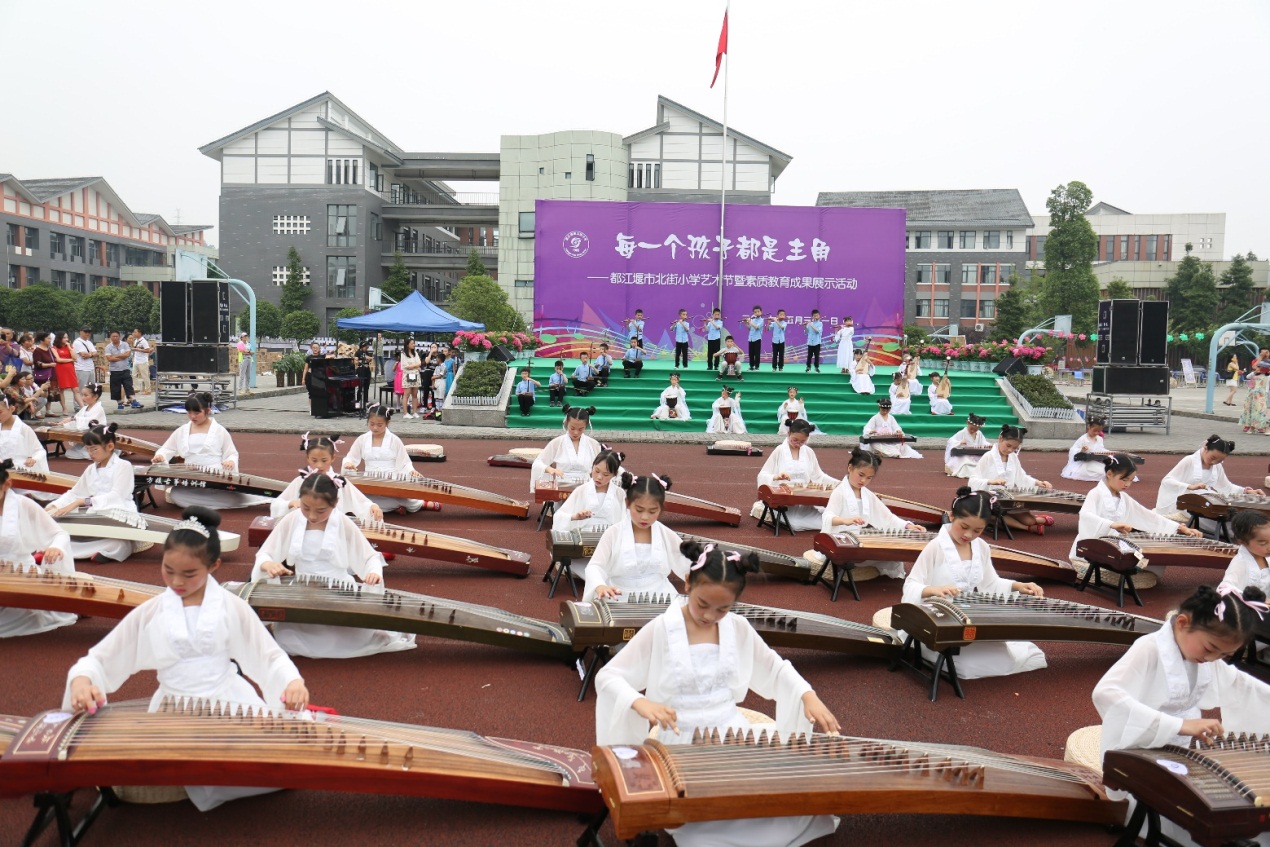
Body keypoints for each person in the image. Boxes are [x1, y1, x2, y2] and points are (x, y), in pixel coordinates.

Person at [595, 540, 841, 847]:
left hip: (731, 731)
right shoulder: (662, 629)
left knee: (780, 806)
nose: (710, 616)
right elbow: (609, 675)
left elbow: (775, 667)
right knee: (705, 824)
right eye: (702, 604)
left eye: (723, 609)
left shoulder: (737, 627)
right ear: (687, 583)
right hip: (682, 738)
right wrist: (640, 701)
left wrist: (806, 694)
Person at [65, 506, 309, 811]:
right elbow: (102, 656)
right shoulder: (153, 611)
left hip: (229, 704)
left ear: (214, 565)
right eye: (168, 570)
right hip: (173, 711)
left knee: (290, 763)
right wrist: (83, 679)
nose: (176, 581)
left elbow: (269, 656)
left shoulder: (230, 607)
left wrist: (292, 681)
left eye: (189, 574)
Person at [1092, 583, 1270, 847]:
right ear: (1183, 623)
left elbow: (1243, 686)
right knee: (1217, 824)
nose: (1214, 659)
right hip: (1144, 750)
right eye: (1211, 649)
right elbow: (1106, 693)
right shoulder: (1149, 648)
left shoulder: (1206, 656)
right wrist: (1179, 725)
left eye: (1225, 654)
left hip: (1186, 751)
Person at [253, 473, 416, 659]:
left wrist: (373, 573)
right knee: (292, 639)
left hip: (340, 591)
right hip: (302, 593)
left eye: (321, 510)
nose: (312, 516)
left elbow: (369, 557)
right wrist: (269, 565)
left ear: (335, 504)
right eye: (306, 508)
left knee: (354, 636)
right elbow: (265, 553)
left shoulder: (343, 523)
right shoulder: (291, 520)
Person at [903, 488, 1048, 678]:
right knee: (967, 667)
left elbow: (990, 583)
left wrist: (1017, 586)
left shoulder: (982, 547)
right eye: (964, 527)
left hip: (967, 617)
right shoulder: (935, 547)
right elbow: (911, 584)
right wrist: (934, 590)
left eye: (977, 530)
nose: (969, 535)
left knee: (1013, 658)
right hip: (935, 620)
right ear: (951, 516)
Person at [1072, 454, 1201, 579]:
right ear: (1109, 474)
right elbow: (1085, 515)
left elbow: (1148, 516)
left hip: (1117, 542)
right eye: (1124, 479)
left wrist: (1179, 528)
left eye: (1131, 480)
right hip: (1096, 543)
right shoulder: (1095, 494)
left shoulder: (1124, 498)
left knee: (1155, 550)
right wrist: (1111, 524)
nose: (1127, 484)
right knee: (1137, 555)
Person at [822, 447, 928, 578]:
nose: (863, 481)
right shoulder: (839, 492)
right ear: (850, 468)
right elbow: (827, 516)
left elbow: (888, 518)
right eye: (861, 475)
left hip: (862, 541)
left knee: (893, 556)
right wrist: (845, 520)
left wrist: (907, 526)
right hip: (841, 541)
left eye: (869, 478)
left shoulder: (868, 495)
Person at [583, 473, 688, 603]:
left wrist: (698, 579)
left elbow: (687, 563)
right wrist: (600, 585)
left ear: (661, 509)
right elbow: (595, 566)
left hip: (660, 595)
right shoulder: (613, 533)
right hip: (618, 595)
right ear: (627, 503)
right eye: (639, 510)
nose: (645, 517)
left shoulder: (665, 534)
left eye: (652, 511)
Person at [45, 423, 143, 563]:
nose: (90, 454)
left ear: (109, 446)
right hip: (93, 512)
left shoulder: (123, 466)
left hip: (119, 511)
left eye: (94, 449)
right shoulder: (91, 469)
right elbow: (75, 493)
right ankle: (65, 549)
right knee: (55, 526)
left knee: (119, 543)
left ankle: (62, 550)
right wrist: (54, 505)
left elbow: (116, 496)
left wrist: (82, 502)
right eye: (87, 449)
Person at [154, 392, 269, 509]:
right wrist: (161, 456)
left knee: (234, 498)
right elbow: (166, 449)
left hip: (215, 475)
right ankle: (211, 503)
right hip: (190, 476)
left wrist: (230, 461)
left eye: (197, 412)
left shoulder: (219, 430)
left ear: (207, 411)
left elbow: (232, 453)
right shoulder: (182, 430)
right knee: (176, 494)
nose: (192, 416)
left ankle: (204, 503)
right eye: (189, 412)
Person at [0, 457, 75, 638]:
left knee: (25, 616)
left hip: (21, 577)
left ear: (6, 485)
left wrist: (55, 547)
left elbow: (60, 534)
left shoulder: (23, 505)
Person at [342, 405, 430, 515]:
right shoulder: (362, 439)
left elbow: (404, 462)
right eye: (372, 424)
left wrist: (411, 471)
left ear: (387, 423)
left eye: (379, 425)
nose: (375, 428)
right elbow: (350, 457)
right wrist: (348, 463)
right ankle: (398, 506)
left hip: (391, 481)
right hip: (370, 480)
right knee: (356, 498)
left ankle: (415, 504)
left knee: (402, 498)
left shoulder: (394, 440)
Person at [969, 424, 1054, 535]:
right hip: (989, 498)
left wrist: (1038, 483)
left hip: (1008, 498)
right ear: (1000, 439)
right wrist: (990, 481)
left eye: (1014, 448)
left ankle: (1037, 520)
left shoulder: (1013, 457)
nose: (1010, 450)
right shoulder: (988, 457)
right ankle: (1026, 528)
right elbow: (973, 480)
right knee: (984, 514)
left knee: (1029, 520)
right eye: (1008, 445)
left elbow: (1021, 477)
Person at [276, 435, 380, 523]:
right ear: (307, 458)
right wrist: (291, 503)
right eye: (314, 460)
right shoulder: (301, 480)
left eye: (324, 460)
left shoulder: (339, 482)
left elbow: (360, 502)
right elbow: (277, 504)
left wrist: (372, 507)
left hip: (333, 528)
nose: (319, 465)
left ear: (333, 458)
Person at [1156, 435, 1263, 519]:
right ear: (1206, 449)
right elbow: (1167, 481)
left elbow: (1226, 487)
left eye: (1219, 460)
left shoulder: (1217, 466)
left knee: (1229, 517)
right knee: (1220, 520)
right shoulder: (1189, 461)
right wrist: (1190, 487)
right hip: (1185, 503)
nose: (1214, 462)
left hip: (1206, 502)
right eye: (1213, 458)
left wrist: (1247, 492)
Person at [756, 419, 836, 531]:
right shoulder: (779, 451)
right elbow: (763, 475)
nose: (798, 444)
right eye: (795, 440)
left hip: (804, 500)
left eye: (802, 441)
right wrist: (776, 477)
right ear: (788, 433)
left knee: (827, 519)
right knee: (795, 524)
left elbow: (819, 476)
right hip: (783, 503)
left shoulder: (809, 452)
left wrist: (838, 484)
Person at [530, 405, 602, 492]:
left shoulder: (593, 444)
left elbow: (604, 466)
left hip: (585, 489)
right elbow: (538, 462)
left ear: (586, 426)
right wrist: (549, 469)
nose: (576, 432)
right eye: (572, 428)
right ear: (566, 423)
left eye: (580, 429)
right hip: (561, 488)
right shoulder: (557, 442)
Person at [1220, 510, 1270, 597]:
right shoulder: (1240, 563)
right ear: (1242, 542)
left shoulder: (1265, 556)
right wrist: (1257, 601)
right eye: (1263, 543)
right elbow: (1224, 589)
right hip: (1249, 608)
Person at [55, 383, 107, 461]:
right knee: (69, 453)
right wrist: (63, 424)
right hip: (86, 438)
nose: (83, 398)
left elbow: (90, 420)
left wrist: (73, 418)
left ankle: (103, 452)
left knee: (72, 453)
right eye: (82, 395)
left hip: (97, 438)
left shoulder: (99, 408)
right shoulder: (84, 408)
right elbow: (76, 419)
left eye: (86, 395)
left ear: (95, 396)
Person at [0, 393, 49, 473]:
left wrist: (33, 459)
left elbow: (39, 451)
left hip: (22, 469)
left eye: (0, 412)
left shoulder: (24, 429)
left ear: (12, 409)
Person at [1061, 416, 1112, 482]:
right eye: (1094, 431)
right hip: (1082, 464)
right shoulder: (1083, 439)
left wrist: (1108, 453)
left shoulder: (1099, 439)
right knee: (1099, 473)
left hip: (1092, 461)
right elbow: (1072, 450)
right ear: (1089, 427)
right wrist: (1081, 450)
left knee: (1105, 471)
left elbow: (1101, 449)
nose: (1096, 433)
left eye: (1099, 431)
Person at [104, 330, 141, 410]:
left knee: (128, 385)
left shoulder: (124, 344)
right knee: (115, 388)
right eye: (113, 336)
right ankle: (120, 403)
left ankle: (133, 400)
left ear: (119, 337)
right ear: (110, 337)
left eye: (116, 336)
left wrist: (115, 356)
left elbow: (127, 354)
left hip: (125, 369)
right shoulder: (108, 347)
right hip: (114, 370)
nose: (115, 338)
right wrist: (121, 356)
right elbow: (109, 358)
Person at [944, 413, 988, 478]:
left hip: (976, 455)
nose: (973, 431)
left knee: (984, 461)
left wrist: (988, 445)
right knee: (965, 462)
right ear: (967, 423)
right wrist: (959, 442)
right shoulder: (962, 433)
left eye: (975, 429)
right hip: (963, 455)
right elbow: (951, 441)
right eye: (971, 428)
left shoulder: (979, 433)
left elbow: (984, 442)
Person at [1240, 349, 1270, 434]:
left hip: (1264, 394)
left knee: (1263, 411)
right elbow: (1254, 367)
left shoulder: (1267, 375)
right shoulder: (1256, 368)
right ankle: (1251, 426)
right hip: (1254, 394)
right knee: (1253, 410)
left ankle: (1265, 427)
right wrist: (1260, 357)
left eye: (1267, 352)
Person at [51, 332, 78, 413]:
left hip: (70, 370)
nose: (66, 339)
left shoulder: (69, 346)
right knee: (61, 390)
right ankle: (64, 408)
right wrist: (70, 360)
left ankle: (82, 406)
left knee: (76, 389)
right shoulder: (54, 348)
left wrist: (69, 347)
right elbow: (58, 359)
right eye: (64, 338)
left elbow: (75, 357)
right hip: (60, 369)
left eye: (67, 337)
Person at [398, 338, 423, 418]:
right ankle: (405, 413)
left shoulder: (415, 353)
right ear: (407, 345)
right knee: (407, 394)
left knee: (415, 394)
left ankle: (415, 412)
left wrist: (414, 366)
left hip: (416, 374)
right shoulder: (403, 354)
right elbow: (406, 366)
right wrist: (415, 366)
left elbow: (419, 363)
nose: (413, 345)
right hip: (407, 375)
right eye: (412, 343)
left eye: (414, 343)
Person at [71, 325, 97, 399]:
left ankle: (89, 404)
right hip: (81, 368)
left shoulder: (89, 342)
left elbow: (96, 353)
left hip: (90, 367)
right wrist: (91, 354)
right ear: (81, 332)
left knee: (91, 388)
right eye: (85, 332)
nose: (87, 333)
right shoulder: (77, 342)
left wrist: (90, 354)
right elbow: (84, 355)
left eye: (89, 332)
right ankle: (78, 406)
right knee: (81, 388)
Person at [32, 331, 56, 402]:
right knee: (41, 390)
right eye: (48, 338)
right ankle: (38, 407)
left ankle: (48, 409)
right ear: (42, 340)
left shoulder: (50, 349)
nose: (50, 340)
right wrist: (50, 365)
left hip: (51, 373)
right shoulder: (37, 350)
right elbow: (37, 363)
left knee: (50, 390)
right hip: (41, 374)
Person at [743, 306, 764, 370]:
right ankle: (751, 366)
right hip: (751, 338)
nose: (757, 313)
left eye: (758, 311)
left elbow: (756, 327)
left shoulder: (762, 320)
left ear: (761, 312)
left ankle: (757, 366)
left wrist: (750, 321)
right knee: (751, 353)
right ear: (753, 313)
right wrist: (745, 323)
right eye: (755, 312)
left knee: (757, 353)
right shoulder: (752, 320)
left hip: (757, 338)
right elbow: (750, 329)